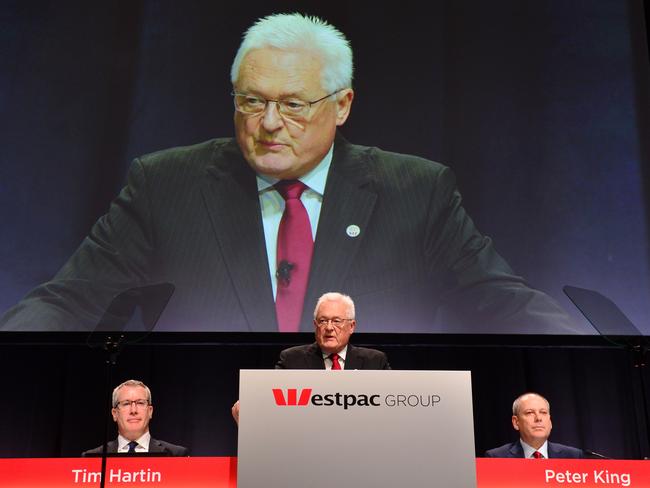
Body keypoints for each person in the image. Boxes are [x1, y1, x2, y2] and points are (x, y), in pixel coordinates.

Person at [1, 13, 581, 334]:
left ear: (343, 104)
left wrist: (608, 353)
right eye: (251, 102)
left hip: (365, 447)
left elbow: (503, 302)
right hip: (209, 444)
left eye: (294, 104)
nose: (269, 124)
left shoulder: (418, 190)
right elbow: (70, 300)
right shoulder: (164, 183)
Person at [231, 292, 389, 424]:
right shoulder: (292, 360)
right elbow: (269, 399)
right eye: (322, 321)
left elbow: (389, 407)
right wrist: (250, 407)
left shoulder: (374, 361)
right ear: (315, 325)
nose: (328, 328)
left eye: (336, 321)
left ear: (352, 326)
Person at [82, 379, 189, 456]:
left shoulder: (176, 455)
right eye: (126, 403)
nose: (133, 410)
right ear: (115, 413)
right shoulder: (92, 458)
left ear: (150, 411)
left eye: (140, 403)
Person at [484, 392, 584, 458]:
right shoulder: (496, 457)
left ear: (550, 422)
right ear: (516, 422)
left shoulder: (574, 456)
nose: (538, 418)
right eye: (530, 412)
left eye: (543, 412)